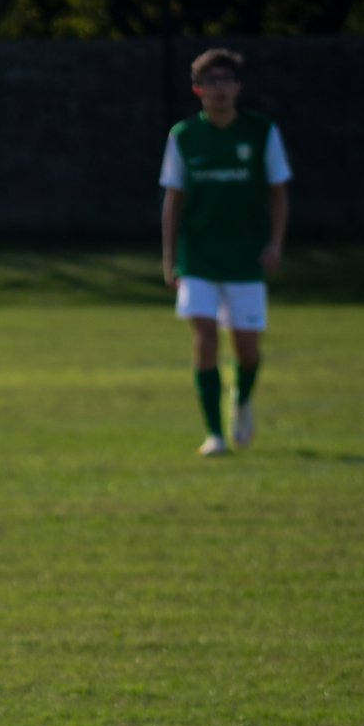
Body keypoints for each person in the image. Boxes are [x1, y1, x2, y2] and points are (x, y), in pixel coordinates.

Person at [159, 48, 291, 457]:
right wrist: (170, 259)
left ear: (238, 87)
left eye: (226, 80)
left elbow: (278, 193)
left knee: (247, 351)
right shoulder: (183, 136)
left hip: (245, 257)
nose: (220, 88)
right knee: (204, 339)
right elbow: (173, 200)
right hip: (198, 256)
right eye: (211, 81)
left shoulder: (261, 132)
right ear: (198, 89)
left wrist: (275, 244)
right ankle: (214, 434)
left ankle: (242, 400)